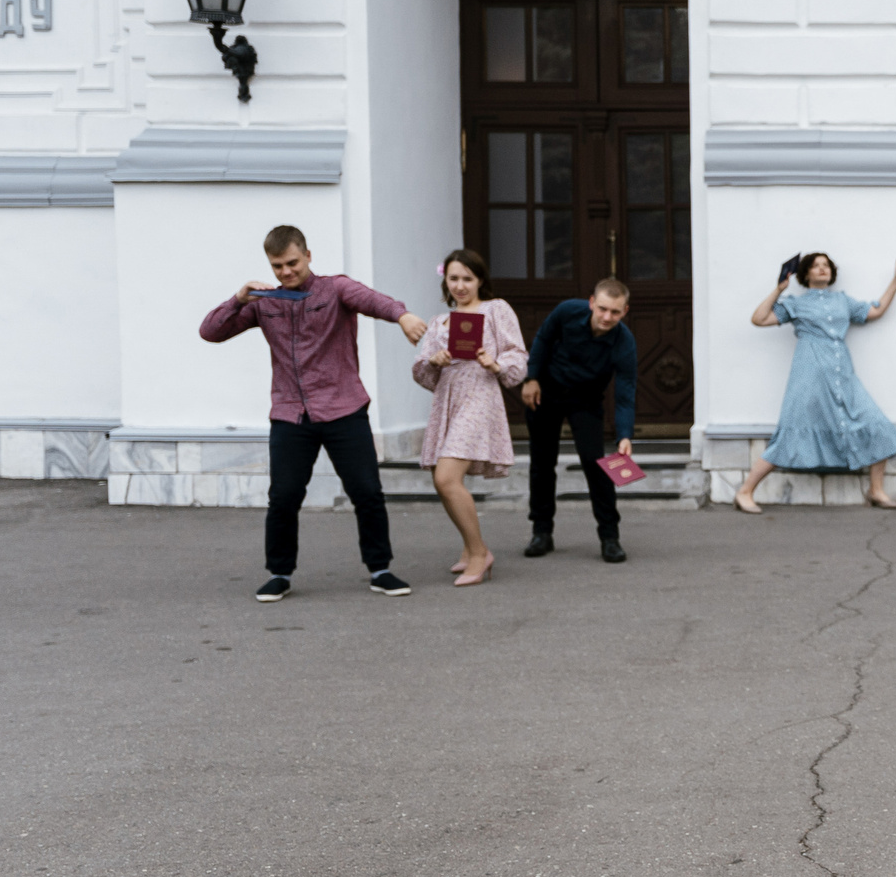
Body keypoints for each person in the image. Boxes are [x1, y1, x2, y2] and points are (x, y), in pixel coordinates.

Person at [198, 224, 425, 603]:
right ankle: (280, 574)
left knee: (367, 492)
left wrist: (403, 316)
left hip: (343, 409)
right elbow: (210, 332)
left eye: (291, 262)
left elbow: (375, 301)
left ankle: (380, 569)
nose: (286, 272)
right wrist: (237, 299)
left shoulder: (335, 288)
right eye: (277, 266)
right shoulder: (263, 301)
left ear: (307, 255)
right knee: (284, 497)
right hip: (291, 414)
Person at [731, 252, 896, 514]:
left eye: (825, 265)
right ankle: (745, 491)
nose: (821, 269)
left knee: (877, 425)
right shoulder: (797, 303)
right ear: (805, 274)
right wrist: (779, 289)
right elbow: (759, 319)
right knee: (791, 431)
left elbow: (875, 310)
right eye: (815, 266)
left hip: (842, 374)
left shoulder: (842, 301)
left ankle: (876, 490)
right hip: (810, 373)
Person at [411, 249, 527, 586]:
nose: (460, 286)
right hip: (448, 399)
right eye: (454, 279)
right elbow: (421, 374)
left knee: (447, 478)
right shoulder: (439, 322)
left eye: (467, 278)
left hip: (479, 395)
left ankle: (480, 554)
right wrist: (434, 361)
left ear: (480, 281)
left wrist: (496, 364)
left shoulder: (495, 310)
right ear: (445, 281)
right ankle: (468, 548)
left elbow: (517, 355)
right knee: (441, 478)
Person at [517, 278, 637, 564]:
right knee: (542, 463)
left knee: (596, 465)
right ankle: (541, 532)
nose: (608, 317)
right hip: (545, 393)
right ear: (592, 303)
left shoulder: (625, 343)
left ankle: (610, 537)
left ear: (625, 311)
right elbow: (543, 338)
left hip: (586, 401)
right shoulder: (567, 311)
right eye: (603, 309)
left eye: (616, 312)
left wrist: (624, 435)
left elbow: (625, 393)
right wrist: (531, 377)